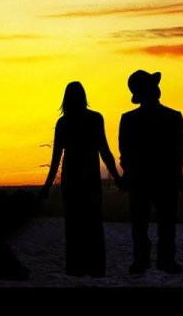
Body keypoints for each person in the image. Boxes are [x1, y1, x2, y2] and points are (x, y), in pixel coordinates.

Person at [38, 81, 121, 277]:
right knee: (93, 224)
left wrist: (47, 187)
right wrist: (116, 176)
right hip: (89, 179)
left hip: (73, 180)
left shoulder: (63, 123)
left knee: (74, 226)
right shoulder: (94, 119)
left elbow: (56, 159)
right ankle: (96, 268)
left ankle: (75, 268)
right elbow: (105, 151)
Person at [119, 69, 183, 274]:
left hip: (143, 179)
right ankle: (163, 260)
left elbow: (125, 152)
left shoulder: (129, 120)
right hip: (163, 178)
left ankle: (143, 259)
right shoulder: (174, 117)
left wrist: (128, 173)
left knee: (142, 223)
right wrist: (177, 174)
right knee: (164, 223)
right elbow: (180, 148)